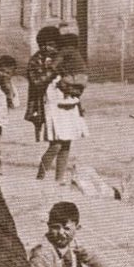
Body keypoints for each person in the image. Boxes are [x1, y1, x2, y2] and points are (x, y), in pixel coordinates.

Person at [37, 49, 89, 184]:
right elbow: (48, 98)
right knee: (56, 146)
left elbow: (75, 94)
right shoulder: (49, 80)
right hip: (56, 114)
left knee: (66, 145)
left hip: (69, 113)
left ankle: (59, 178)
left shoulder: (66, 78)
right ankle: (40, 176)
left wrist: (78, 104)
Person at [25, 26, 61, 141]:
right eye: (42, 45)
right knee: (41, 115)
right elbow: (34, 79)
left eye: (50, 44)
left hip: (57, 93)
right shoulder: (36, 59)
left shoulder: (61, 57)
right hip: (40, 94)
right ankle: (39, 134)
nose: (46, 48)